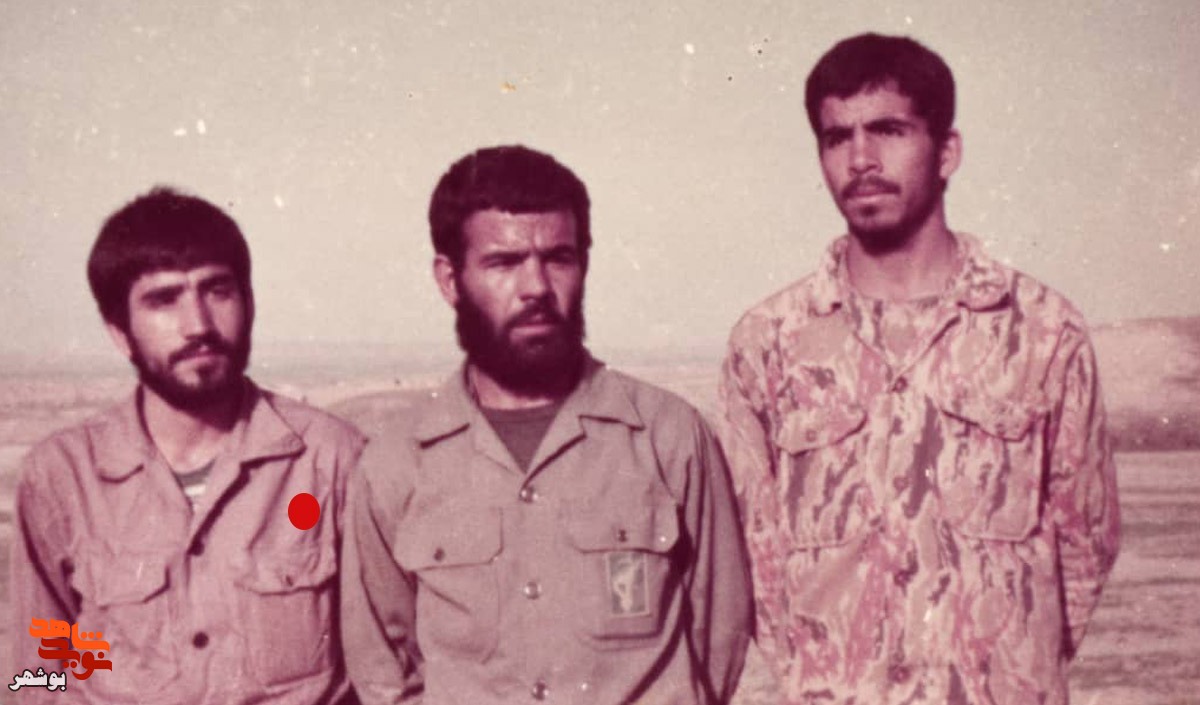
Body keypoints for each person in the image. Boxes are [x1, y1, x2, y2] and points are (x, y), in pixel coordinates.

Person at [720, 33, 1120, 705]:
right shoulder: (768, 343)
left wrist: (1007, 670)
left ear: (947, 152)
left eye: (889, 130)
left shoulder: (1043, 332)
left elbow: (1087, 541)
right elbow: (755, 563)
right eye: (837, 137)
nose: (861, 159)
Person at [341, 145, 752, 704]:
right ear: (450, 279)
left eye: (558, 258)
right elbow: (385, 668)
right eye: (504, 263)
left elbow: (718, 638)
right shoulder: (397, 464)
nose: (536, 286)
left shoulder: (668, 436)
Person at [10, 187, 366, 704]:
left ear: (249, 304)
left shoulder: (331, 461)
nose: (197, 325)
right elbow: (42, 671)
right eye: (163, 300)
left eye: (217, 291)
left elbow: (387, 666)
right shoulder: (63, 477)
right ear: (119, 332)